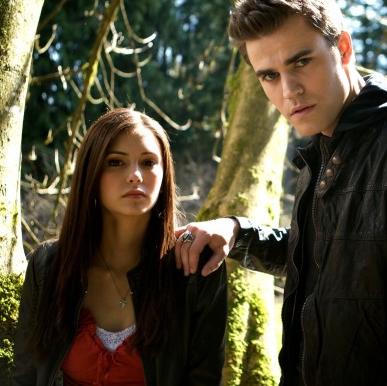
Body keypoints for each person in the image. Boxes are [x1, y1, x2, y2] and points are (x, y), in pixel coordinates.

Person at [176, 0, 387, 385]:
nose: (289, 90)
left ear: (343, 48)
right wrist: (236, 232)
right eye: (269, 76)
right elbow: (330, 261)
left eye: (301, 62)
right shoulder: (324, 150)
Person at [13, 108, 228, 386]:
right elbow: (25, 376)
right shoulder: (47, 266)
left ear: (164, 174)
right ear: (91, 172)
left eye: (148, 162)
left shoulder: (195, 268)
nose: (135, 175)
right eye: (116, 162)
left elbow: (204, 379)